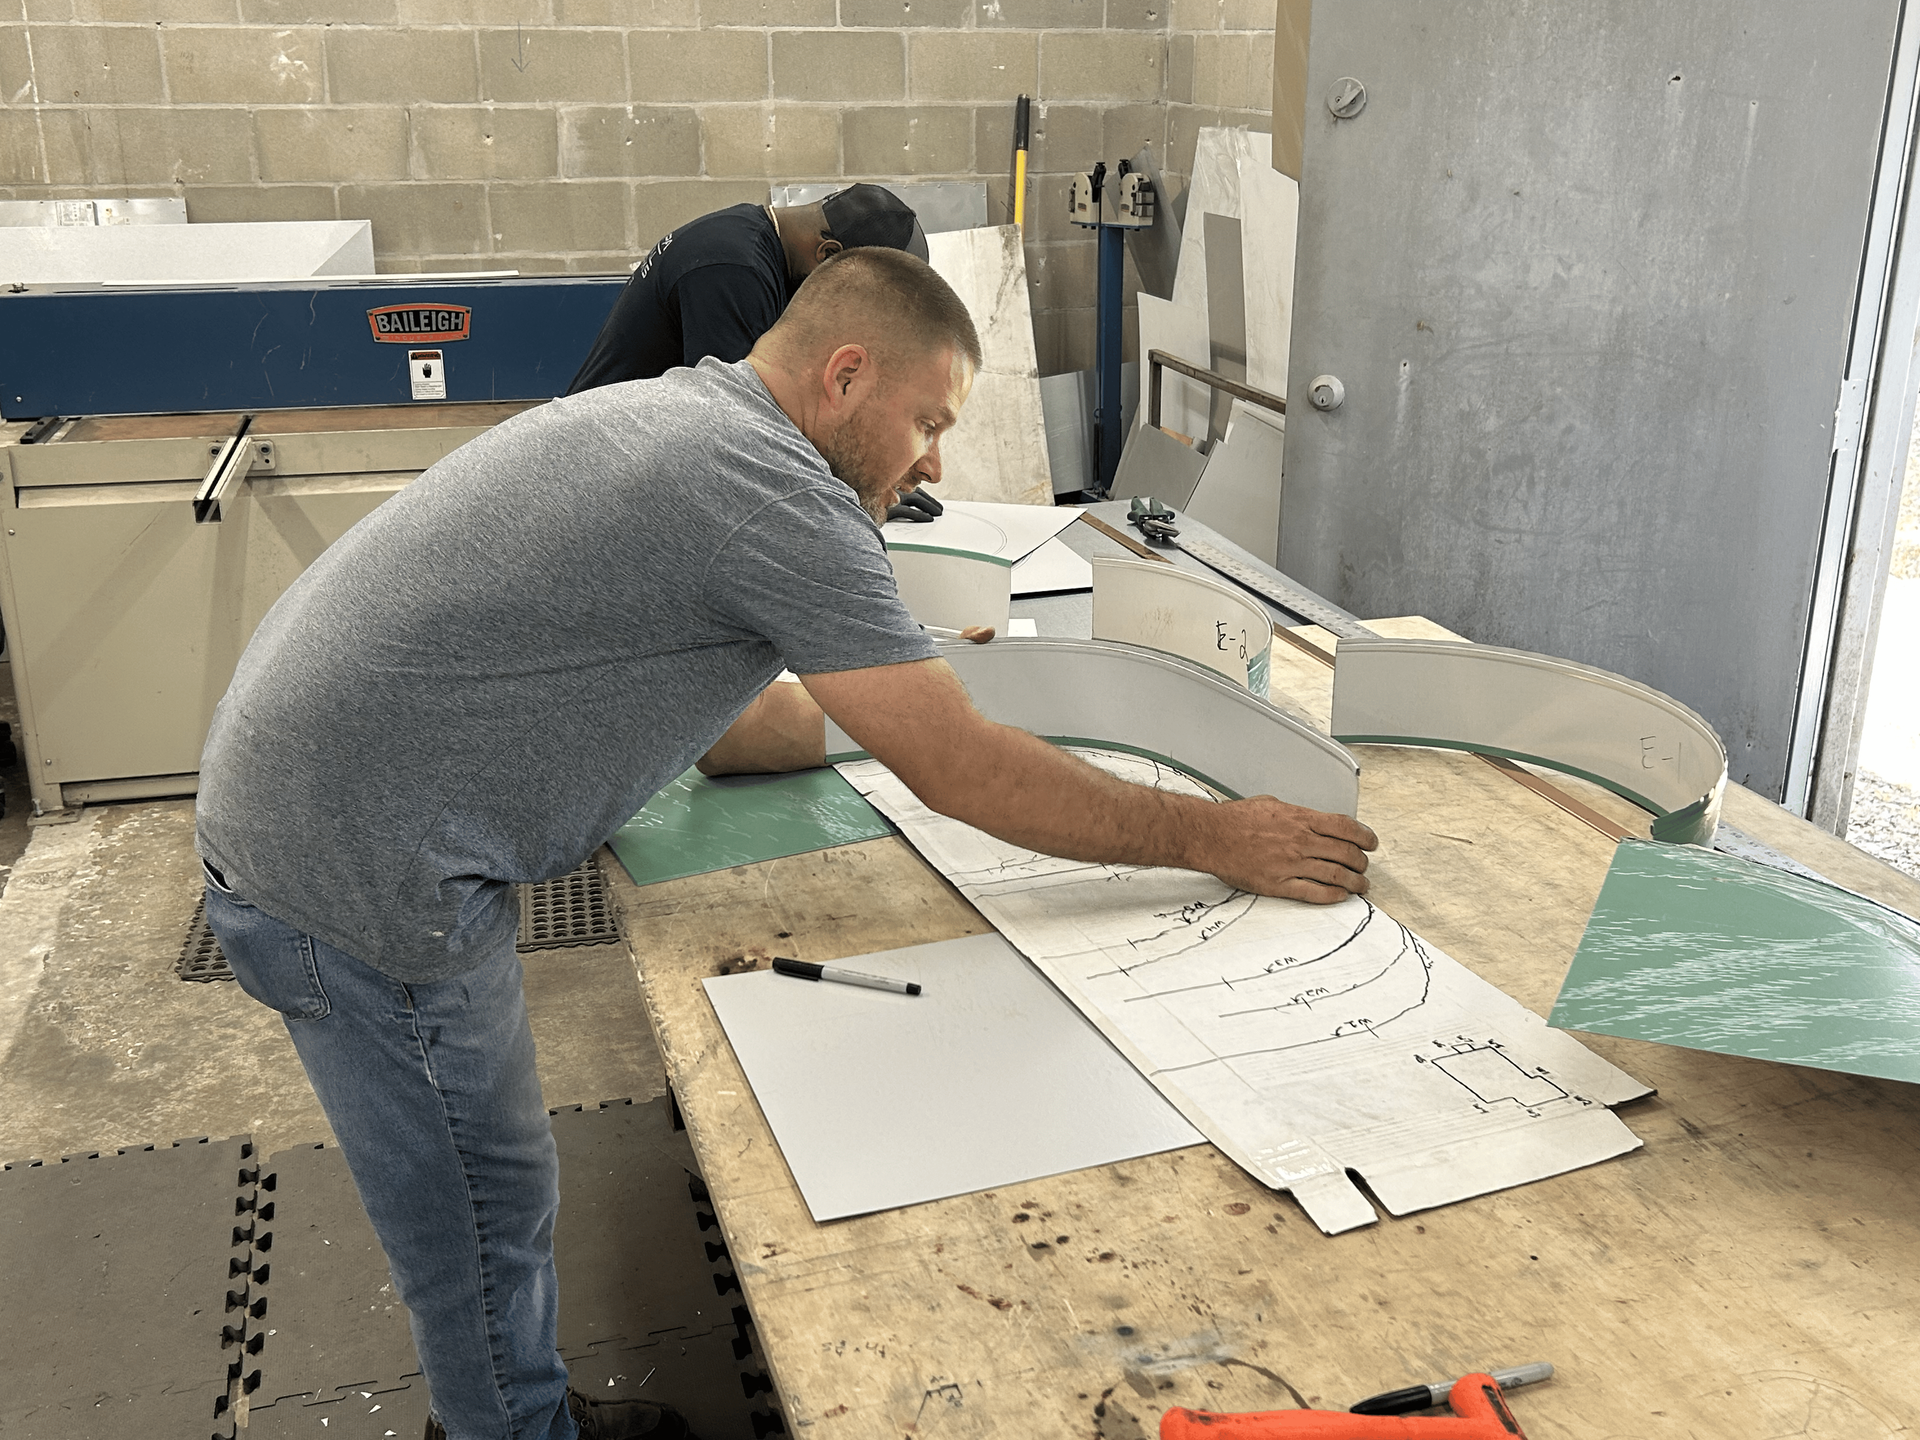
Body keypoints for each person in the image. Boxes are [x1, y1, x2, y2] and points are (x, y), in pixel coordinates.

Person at [194, 248, 1376, 1440]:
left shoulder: (698, 421)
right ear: (846, 376)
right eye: (928, 420)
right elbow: (959, 773)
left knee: (488, 1187)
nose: (935, 461)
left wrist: (892, 694)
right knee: (482, 1196)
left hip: (312, 794)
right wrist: (1216, 835)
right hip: (356, 861)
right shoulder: (776, 493)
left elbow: (740, 727)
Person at [565, 183, 929, 395]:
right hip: (595, 472)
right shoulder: (733, 270)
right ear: (828, 254)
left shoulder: (750, 240)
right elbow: (735, 428)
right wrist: (844, 497)